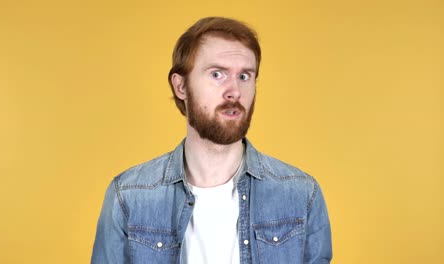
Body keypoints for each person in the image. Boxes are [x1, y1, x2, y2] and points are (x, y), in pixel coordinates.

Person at [91, 17, 332, 264]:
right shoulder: (129, 197)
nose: (234, 91)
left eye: (245, 76)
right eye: (217, 74)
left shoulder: (301, 196)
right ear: (181, 86)